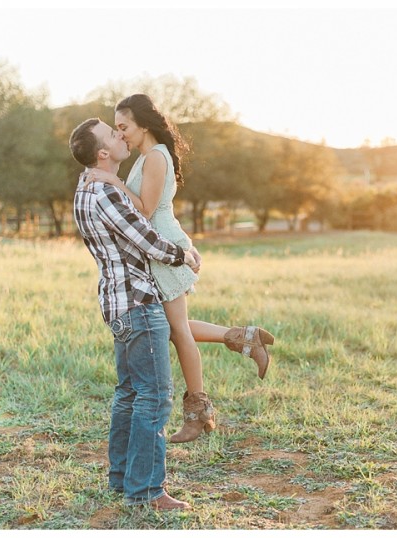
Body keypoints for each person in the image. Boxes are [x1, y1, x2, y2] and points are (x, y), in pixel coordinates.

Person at [86, 94, 274, 443]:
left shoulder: (155, 157)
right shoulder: (145, 158)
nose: (121, 134)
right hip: (163, 248)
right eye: (117, 129)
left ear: (143, 124)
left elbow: (143, 210)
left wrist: (110, 181)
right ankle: (244, 338)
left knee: (177, 331)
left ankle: (199, 413)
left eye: (124, 127)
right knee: (174, 326)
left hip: (164, 253)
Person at [70, 117, 198, 510]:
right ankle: (146, 491)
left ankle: (122, 478)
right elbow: (145, 239)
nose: (121, 135)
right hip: (139, 305)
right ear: (104, 153)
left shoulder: (85, 188)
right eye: (113, 133)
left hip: (116, 303)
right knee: (155, 397)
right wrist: (185, 255)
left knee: (129, 394)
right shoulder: (107, 194)